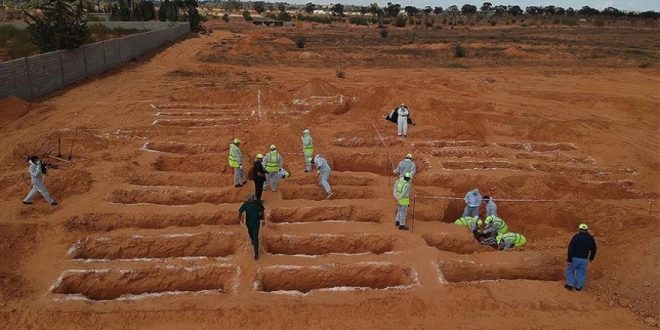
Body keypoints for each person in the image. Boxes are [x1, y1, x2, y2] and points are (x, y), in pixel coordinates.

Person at [565, 223, 597, 291]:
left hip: (575, 258)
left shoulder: (576, 237)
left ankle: (570, 284)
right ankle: (579, 287)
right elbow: (594, 249)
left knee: (570, 270)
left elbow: (571, 248)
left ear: (579, 229)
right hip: (584, 259)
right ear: (587, 230)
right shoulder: (590, 238)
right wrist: (591, 258)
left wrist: (569, 258)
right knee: (581, 272)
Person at [238, 193, 265, 260]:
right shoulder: (246, 204)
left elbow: (262, 210)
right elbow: (240, 212)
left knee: (256, 237)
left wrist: (264, 220)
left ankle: (256, 253)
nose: (250, 201)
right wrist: (239, 219)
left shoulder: (258, 203)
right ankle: (252, 239)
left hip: (256, 222)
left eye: (251, 200)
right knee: (250, 234)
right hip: (248, 223)